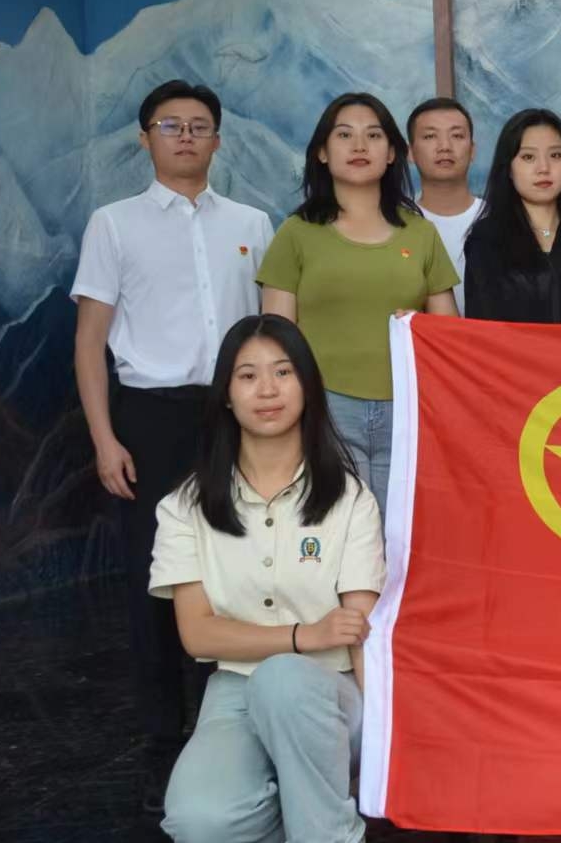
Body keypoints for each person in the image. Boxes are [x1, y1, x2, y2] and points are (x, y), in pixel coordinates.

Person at [71, 78, 274, 812]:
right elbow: (89, 342)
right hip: (149, 417)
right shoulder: (113, 224)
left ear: (218, 138)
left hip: (235, 414)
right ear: (145, 137)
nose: (185, 136)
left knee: (240, 566)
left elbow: (270, 331)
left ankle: (232, 723)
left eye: (198, 125)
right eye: (170, 125)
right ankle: (163, 733)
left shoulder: (252, 221)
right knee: (155, 576)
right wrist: (105, 439)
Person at [152, 314, 386, 841]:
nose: (267, 390)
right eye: (248, 375)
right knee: (199, 822)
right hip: (235, 689)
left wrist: (386, 741)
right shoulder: (184, 507)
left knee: (285, 682)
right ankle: (301, 804)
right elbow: (198, 634)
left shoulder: (350, 500)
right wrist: (304, 635)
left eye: (283, 372)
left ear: (307, 386)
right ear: (226, 395)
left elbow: (362, 635)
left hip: (332, 692)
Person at [257, 93, 459, 514]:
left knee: (402, 532)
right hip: (326, 408)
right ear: (322, 152)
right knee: (339, 531)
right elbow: (276, 340)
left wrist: (421, 326)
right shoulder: (296, 233)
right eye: (345, 135)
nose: (360, 146)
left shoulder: (420, 233)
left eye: (374, 135)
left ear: (392, 154)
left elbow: (451, 338)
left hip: (409, 409)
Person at [463, 109, 561, 325]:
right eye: (528, 157)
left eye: (555, 155)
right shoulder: (486, 239)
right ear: (508, 168)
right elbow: (481, 328)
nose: (544, 168)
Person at [407, 97, 482, 314]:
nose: (445, 147)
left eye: (457, 136)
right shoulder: (395, 225)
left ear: (472, 150)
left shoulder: (500, 218)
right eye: (430, 136)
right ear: (410, 152)